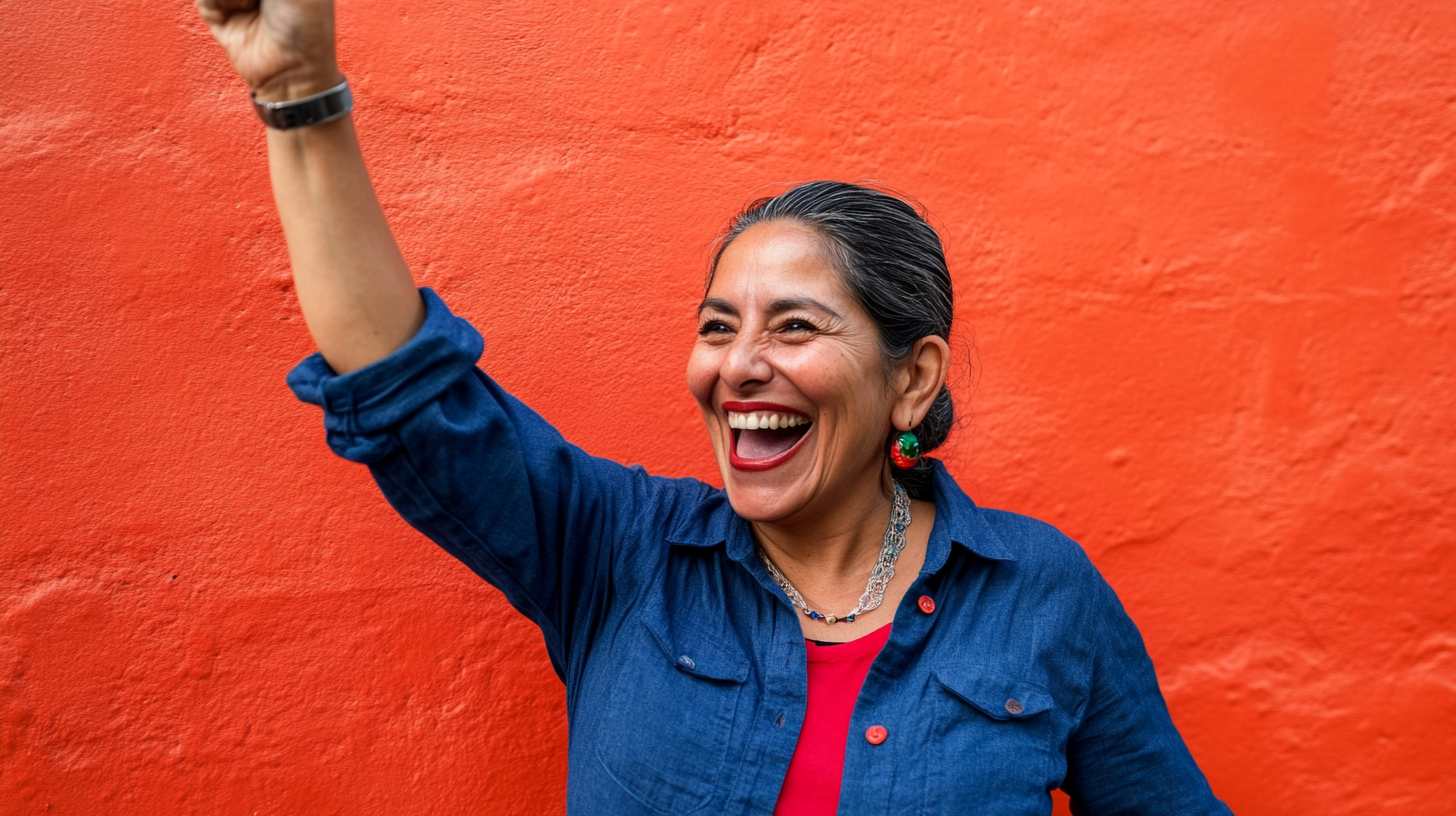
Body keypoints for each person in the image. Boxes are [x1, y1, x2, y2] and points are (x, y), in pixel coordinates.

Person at [197, 1, 1234, 813]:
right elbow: (404, 390)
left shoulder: (1040, 595)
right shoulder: (618, 554)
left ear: (911, 379)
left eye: (793, 328)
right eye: (714, 326)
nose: (737, 365)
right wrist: (297, 93)